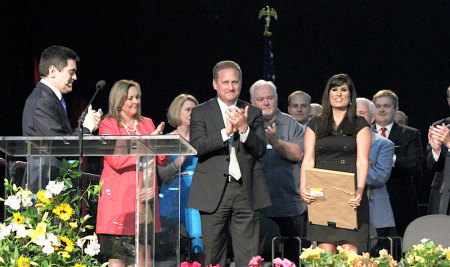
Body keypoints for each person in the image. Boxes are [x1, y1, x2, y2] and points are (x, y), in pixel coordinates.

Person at [187, 60, 270, 267]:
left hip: (246, 191)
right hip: (213, 193)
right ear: (215, 84)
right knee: (214, 256)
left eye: (235, 82)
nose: (230, 87)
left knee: (249, 258)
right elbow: (197, 147)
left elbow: (260, 151)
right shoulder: (200, 112)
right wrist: (226, 132)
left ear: (240, 84)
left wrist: (244, 129)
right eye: (225, 82)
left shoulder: (253, 112)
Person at [96, 80, 167, 267]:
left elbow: (162, 160)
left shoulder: (148, 123)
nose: (136, 101)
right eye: (130, 98)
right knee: (119, 258)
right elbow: (117, 161)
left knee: (144, 259)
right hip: (119, 205)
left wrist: (160, 143)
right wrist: (147, 144)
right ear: (119, 101)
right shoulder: (108, 125)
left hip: (145, 201)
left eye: (137, 97)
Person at [300, 73, 371, 254]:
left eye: (343, 90)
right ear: (328, 94)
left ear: (350, 96)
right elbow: (308, 158)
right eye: (334, 89)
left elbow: (362, 161)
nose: (338, 94)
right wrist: (304, 187)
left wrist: (360, 189)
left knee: (349, 251)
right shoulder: (315, 124)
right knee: (325, 250)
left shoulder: (359, 124)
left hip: (349, 192)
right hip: (321, 190)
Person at [22, 45, 102, 192]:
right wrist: (86, 128)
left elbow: (59, 138)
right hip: (43, 189)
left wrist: (85, 127)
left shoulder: (51, 99)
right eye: (71, 72)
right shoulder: (42, 101)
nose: (75, 77)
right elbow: (60, 145)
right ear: (53, 71)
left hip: (53, 188)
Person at [250, 80, 306, 264]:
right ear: (252, 102)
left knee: (292, 260)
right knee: (260, 260)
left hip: (289, 207)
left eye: (270, 98)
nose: (266, 103)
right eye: (260, 99)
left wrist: (277, 142)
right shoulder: (246, 126)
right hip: (257, 208)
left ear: (276, 99)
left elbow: (298, 154)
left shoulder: (291, 124)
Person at [157, 94, 204, 260]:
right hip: (172, 197)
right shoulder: (166, 140)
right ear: (177, 111)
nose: (192, 114)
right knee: (172, 246)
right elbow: (163, 175)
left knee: (198, 244)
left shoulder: (203, 139)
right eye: (188, 110)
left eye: (195, 110)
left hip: (198, 195)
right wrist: (183, 155)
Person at [372, 89, 423, 237]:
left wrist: (387, 158)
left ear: (396, 109)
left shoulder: (410, 134)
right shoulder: (364, 134)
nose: (381, 110)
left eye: (386, 106)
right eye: (378, 106)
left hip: (400, 201)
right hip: (371, 201)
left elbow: (414, 165)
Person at [356, 98, 398, 255]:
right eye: (354, 113)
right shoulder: (341, 144)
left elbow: (380, 176)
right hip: (346, 211)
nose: (357, 117)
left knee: (375, 256)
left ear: (372, 118)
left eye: (362, 113)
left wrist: (349, 175)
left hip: (375, 211)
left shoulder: (384, 144)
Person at [426, 86, 450, 215]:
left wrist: (449, 143)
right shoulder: (439, 127)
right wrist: (436, 151)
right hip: (442, 195)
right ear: (449, 101)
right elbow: (431, 165)